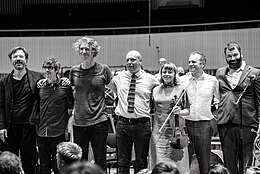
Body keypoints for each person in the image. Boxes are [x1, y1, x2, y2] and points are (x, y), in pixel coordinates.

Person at [108, 50, 160, 174]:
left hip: (142, 124)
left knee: (141, 161)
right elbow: (107, 84)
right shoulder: (119, 77)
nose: (130, 63)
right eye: (127, 60)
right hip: (122, 124)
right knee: (122, 161)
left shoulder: (151, 79)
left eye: (133, 60)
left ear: (140, 61)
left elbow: (164, 90)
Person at [215, 42, 260, 174]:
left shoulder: (255, 73)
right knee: (229, 163)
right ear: (225, 57)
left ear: (241, 54)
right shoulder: (220, 72)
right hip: (225, 123)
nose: (233, 58)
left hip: (247, 123)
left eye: (235, 55)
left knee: (247, 164)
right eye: (229, 56)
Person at [0, 46, 46, 174]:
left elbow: (53, 84)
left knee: (29, 163)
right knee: (8, 164)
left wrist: (62, 80)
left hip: (29, 127)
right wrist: (1, 126)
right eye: (15, 57)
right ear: (11, 61)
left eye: (21, 57)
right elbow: (1, 106)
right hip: (10, 129)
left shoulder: (38, 77)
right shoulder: (4, 82)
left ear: (26, 60)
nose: (18, 59)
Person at [70, 36, 113, 170]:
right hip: (79, 122)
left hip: (99, 121)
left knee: (100, 159)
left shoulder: (103, 69)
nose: (84, 52)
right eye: (81, 49)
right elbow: (71, 92)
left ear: (93, 51)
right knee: (80, 161)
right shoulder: (74, 71)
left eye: (87, 49)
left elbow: (116, 89)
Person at [30, 56, 74, 174]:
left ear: (57, 69)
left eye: (50, 68)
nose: (47, 71)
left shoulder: (65, 86)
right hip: (41, 132)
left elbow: (71, 107)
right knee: (44, 166)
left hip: (58, 132)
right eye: (46, 68)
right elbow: (35, 105)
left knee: (58, 166)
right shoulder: (39, 86)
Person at [179, 51, 220, 174]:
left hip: (204, 125)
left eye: (194, 62)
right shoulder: (182, 80)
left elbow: (218, 99)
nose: (190, 64)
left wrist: (215, 115)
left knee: (204, 162)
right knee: (184, 162)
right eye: (189, 62)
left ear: (202, 64)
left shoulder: (212, 80)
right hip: (185, 125)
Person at [149, 62, 190, 174]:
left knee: (178, 164)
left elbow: (188, 110)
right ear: (161, 74)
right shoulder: (155, 90)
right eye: (164, 72)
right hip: (158, 130)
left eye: (170, 72)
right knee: (158, 162)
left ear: (174, 74)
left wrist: (180, 111)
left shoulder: (182, 89)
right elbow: (152, 110)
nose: (167, 74)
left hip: (176, 132)